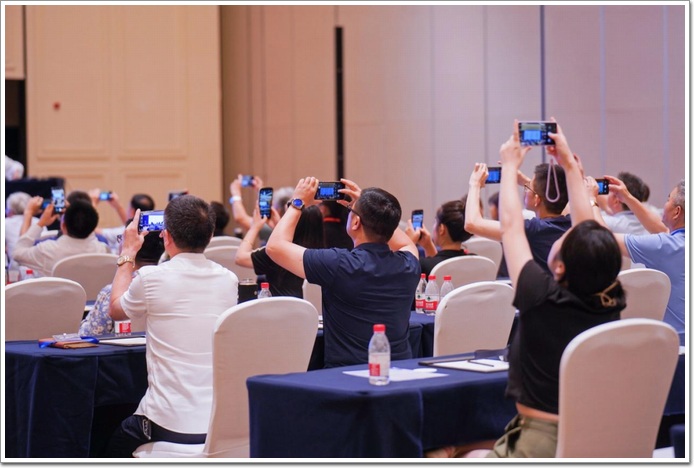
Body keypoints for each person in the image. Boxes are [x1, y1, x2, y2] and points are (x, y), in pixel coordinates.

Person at [429, 120, 625, 460]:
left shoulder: (541, 295)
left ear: (560, 267)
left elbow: (511, 228)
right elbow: (589, 229)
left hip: (540, 445)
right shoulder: (612, 297)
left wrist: (509, 166)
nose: (566, 232)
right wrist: (568, 164)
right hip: (594, 436)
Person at [105, 195, 238, 457]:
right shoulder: (229, 279)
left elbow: (116, 310)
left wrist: (127, 253)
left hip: (164, 423)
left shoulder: (151, 277)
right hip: (218, 422)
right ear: (210, 236)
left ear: (166, 236)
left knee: (106, 443)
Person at [266, 177, 420, 368]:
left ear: (355, 222)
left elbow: (274, 247)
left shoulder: (338, 263)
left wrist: (297, 203)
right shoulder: (409, 265)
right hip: (402, 371)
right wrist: (375, 212)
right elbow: (406, 243)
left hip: (345, 375)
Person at [592, 177, 685, 335]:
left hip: (675, 344)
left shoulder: (665, 246)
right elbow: (660, 228)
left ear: (677, 212)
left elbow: (604, 238)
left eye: (668, 199)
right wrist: (627, 197)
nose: (665, 204)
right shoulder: (676, 243)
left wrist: (591, 201)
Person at [465, 161, 571, 274]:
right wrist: (525, 181)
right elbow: (557, 199)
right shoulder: (573, 222)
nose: (525, 189)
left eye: (528, 187)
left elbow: (472, 224)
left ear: (537, 199)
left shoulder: (533, 229)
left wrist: (474, 184)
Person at [78, 230, 165, 336]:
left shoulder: (111, 294)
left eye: (122, 239)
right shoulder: (170, 286)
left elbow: (88, 335)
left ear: (128, 246)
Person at [235, 204, 324, 298]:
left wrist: (254, 227)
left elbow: (240, 258)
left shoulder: (277, 253)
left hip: (280, 307)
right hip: (313, 307)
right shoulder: (326, 254)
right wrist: (279, 228)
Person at [12, 198, 110, 277]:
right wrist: (76, 213)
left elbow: (17, 253)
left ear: (63, 226)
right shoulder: (102, 250)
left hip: (54, 297)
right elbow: (89, 230)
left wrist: (37, 220)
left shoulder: (47, 250)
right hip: (92, 297)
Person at [405, 199, 473, 277]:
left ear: (441, 229)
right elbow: (438, 265)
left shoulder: (423, 265)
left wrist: (409, 243)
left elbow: (400, 272)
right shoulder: (475, 260)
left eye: (435, 221)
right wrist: (428, 246)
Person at [5, 192, 45, 262]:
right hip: (37, 263)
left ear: (10, 209)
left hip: (15, 264)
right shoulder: (39, 222)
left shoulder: (5, 223)